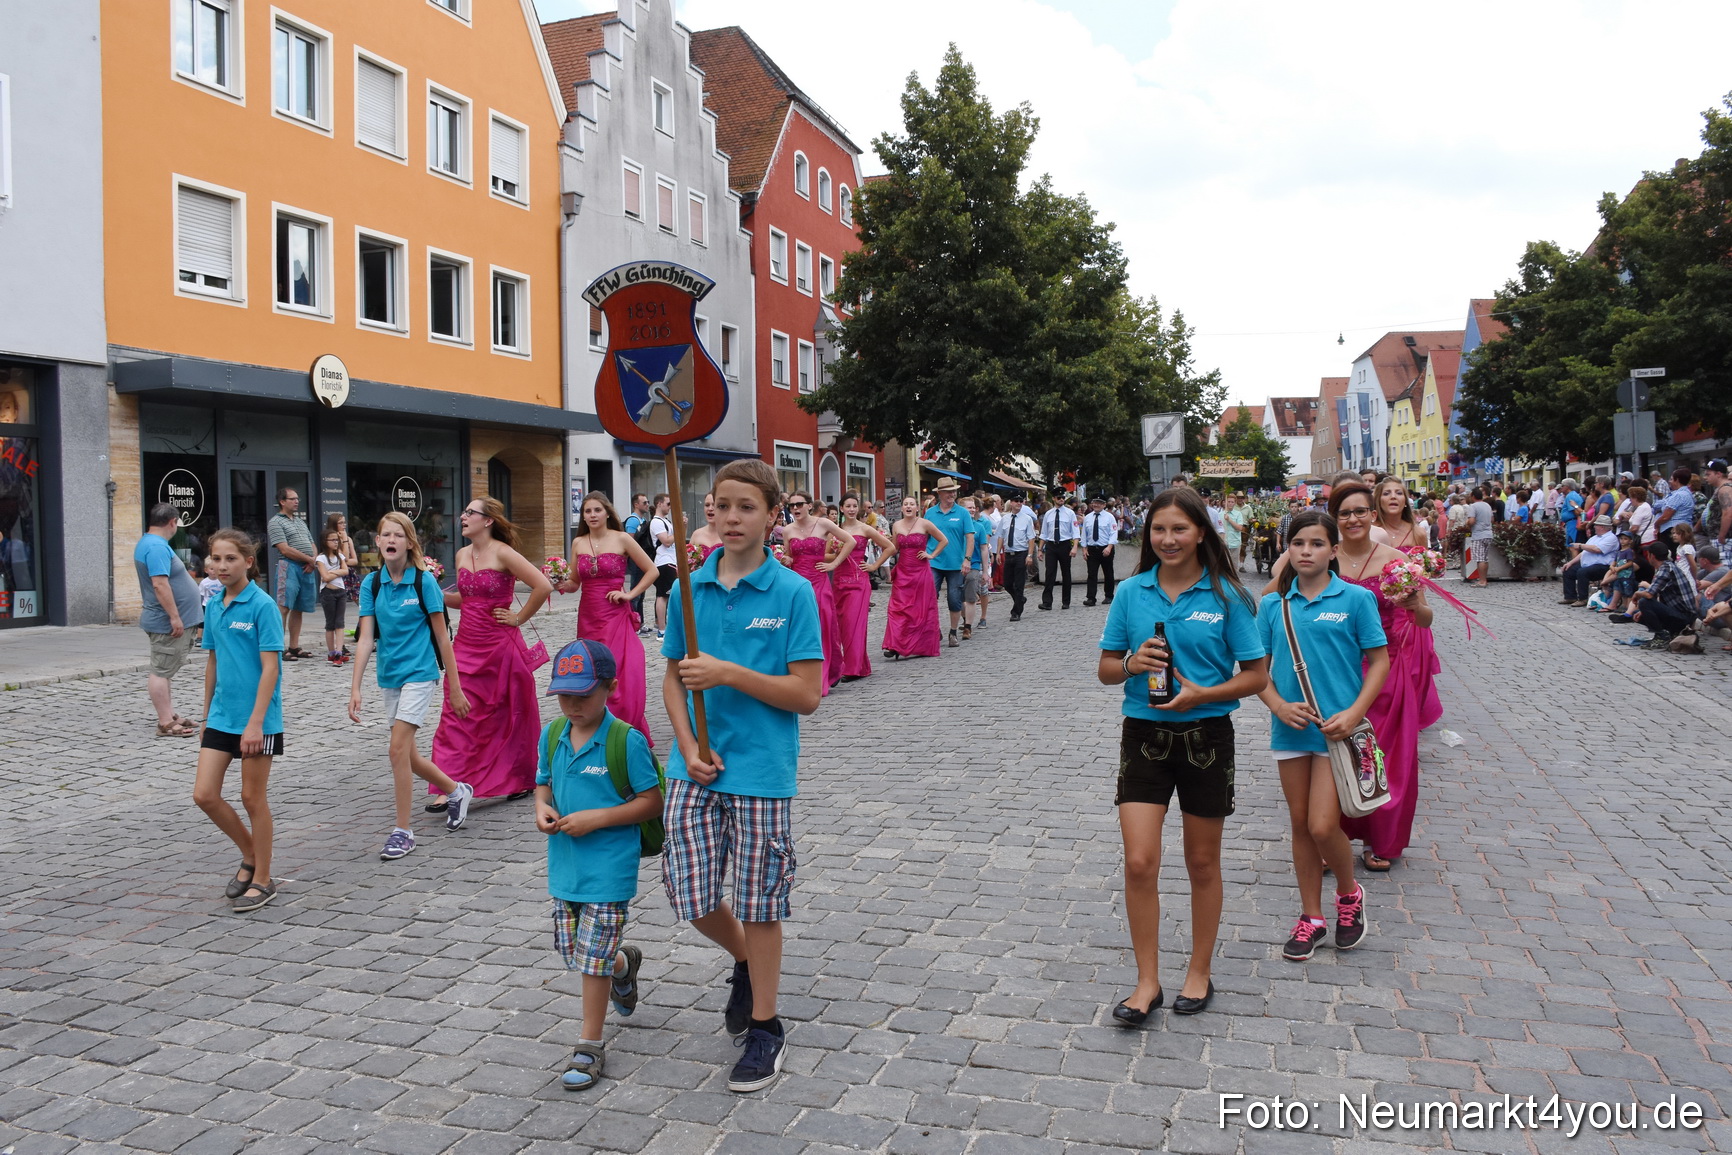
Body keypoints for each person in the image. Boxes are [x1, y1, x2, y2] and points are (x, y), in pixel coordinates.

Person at [659, 459, 823, 1094]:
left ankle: (765, 1027)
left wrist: (728, 673)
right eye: (722, 505)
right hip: (693, 766)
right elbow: (673, 675)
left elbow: (805, 694)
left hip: (760, 770)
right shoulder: (686, 589)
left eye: (746, 507)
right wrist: (686, 740)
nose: (731, 517)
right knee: (689, 892)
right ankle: (746, 962)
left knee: (760, 900)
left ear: (772, 516)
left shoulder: (792, 593)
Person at [1096, 488, 1269, 1024]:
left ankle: (1199, 970)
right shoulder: (1131, 592)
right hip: (1144, 736)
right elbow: (1105, 668)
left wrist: (1202, 694)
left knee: (1201, 862)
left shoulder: (1227, 596)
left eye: (1179, 530)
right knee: (1141, 861)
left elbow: (1256, 676)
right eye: (1158, 530)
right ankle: (1146, 981)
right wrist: (1130, 664)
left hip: (1206, 739)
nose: (1168, 540)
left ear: (1201, 533)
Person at [1256, 511, 1388, 961]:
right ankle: (1310, 916)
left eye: (1316, 544)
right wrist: (1277, 704)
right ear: (1286, 549)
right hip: (1291, 729)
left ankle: (1349, 895)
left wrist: (1354, 713)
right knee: (1298, 825)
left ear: (1334, 550)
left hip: (1339, 732)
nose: (1306, 552)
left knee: (1321, 824)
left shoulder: (1354, 599)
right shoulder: (1274, 605)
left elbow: (1380, 662)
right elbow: (1256, 671)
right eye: (1298, 543)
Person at [535, 638, 662, 1093]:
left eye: (582, 695)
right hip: (565, 868)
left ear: (609, 687)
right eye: (564, 695)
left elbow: (652, 801)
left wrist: (600, 818)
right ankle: (623, 967)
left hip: (609, 870)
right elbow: (543, 784)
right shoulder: (552, 735)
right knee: (575, 952)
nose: (571, 705)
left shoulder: (626, 741)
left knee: (591, 960)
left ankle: (589, 1044)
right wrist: (542, 809)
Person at [1291, 481, 1438, 872]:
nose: (1353, 519)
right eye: (1344, 513)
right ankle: (1330, 839)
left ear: (1372, 515)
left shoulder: (1395, 559)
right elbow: (1279, 590)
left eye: (1360, 511)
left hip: (1384, 670)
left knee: (1383, 759)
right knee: (1334, 755)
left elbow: (1425, 618)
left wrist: (1412, 604)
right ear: (1334, 519)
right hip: (1334, 669)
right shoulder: (1323, 556)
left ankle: (1380, 839)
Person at [348, 512, 477, 860]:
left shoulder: (424, 583)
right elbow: (365, 639)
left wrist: (455, 686)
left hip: (420, 674)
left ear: (409, 543)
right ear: (377, 542)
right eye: (385, 535)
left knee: (395, 750)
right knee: (409, 755)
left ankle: (403, 831)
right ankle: (456, 790)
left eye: (398, 535)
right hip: (389, 676)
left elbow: (442, 637)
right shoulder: (371, 585)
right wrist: (355, 686)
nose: (391, 540)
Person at [426, 495, 553, 811]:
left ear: (488, 520)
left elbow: (543, 586)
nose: (463, 517)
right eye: (464, 512)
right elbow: (465, 600)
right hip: (466, 645)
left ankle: (517, 777)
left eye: (470, 512)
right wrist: (432, 592)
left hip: (500, 646)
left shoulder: (504, 553)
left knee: (504, 713)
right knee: (454, 714)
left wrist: (518, 618)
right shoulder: (460, 554)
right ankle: (447, 786)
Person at [193, 528, 285, 913]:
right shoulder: (214, 605)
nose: (222, 565)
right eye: (216, 558)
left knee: (252, 798)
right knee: (205, 794)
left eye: (230, 558)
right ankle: (250, 853)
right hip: (222, 715)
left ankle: (263, 878)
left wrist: (255, 723)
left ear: (248, 562)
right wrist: (204, 715)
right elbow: (213, 660)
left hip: (258, 720)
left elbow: (271, 669)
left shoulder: (261, 605)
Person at [558, 494, 659, 744]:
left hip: (615, 615)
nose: (592, 515)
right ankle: (595, 725)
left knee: (619, 670)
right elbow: (574, 583)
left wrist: (629, 595)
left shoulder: (623, 538)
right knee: (591, 670)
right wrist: (558, 582)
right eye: (587, 511)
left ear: (607, 513)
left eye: (597, 510)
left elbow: (652, 571)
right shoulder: (579, 542)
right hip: (588, 616)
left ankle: (621, 726)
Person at [134, 502, 205, 737]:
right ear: (173, 522)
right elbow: (159, 584)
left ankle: (169, 713)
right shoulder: (155, 547)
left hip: (167, 619)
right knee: (161, 671)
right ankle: (165, 722)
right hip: (166, 622)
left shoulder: (151, 543)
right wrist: (175, 617)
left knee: (165, 669)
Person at [781, 491, 855, 692]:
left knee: (823, 625)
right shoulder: (787, 530)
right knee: (801, 628)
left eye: (799, 504)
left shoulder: (823, 524)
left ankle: (826, 672)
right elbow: (789, 557)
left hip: (820, 582)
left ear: (809, 505)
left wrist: (835, 564)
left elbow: (851, 541)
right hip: (798, 584)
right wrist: (786, 560)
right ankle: (804, 673)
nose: (795, 508)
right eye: (791, 506)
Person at [877, 495, 947, 659]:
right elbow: (894, 548)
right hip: (903, 571)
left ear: (917, 508)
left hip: (920, 572)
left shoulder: (925, 524)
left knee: (919, 609)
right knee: (898, 609)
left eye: (911, 504)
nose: (908, 506)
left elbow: (943, 540)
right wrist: (882, 543)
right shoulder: (897, 525)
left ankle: (920, 643)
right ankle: (895, 645)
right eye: (905, 504)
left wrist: (931, 555)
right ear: (902, 508)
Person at [835, 493, 893, 682]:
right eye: (847, 506)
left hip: (858, 582)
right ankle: (858, 665)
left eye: (854, 506)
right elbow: (825, 554)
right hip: (838, 581)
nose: (851, 509)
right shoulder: (835, 530)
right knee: (842, 626)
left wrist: (875, 566)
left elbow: (890, 547)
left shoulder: (865, 529)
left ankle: (852, 669)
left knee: (854, 624)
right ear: (841, 508)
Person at [267, 488, 319, 661]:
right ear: (282, 501)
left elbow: (311, 543)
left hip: (306, 568)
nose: (297, 501)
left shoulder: (300, 521)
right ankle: (278, 647)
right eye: (292, 499)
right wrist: (310, 560)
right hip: (288, 567)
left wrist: (313, 560)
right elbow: (284, 549)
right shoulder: (275, 522)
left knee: (299, 608)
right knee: (283, 607)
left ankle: (294, 646)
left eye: (298, 498)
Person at [923, 478, 976, 648]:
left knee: (954, 599)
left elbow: (970, 537)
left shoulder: (962, 513)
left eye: (954, 491)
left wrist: (967, 559)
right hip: (934, 563)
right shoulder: (930, 513)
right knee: (930, 597)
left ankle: (953, 632)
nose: (952, 494)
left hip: (955, 564)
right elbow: (924, 537)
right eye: (948, 491)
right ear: (939, 493)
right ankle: (934, 628)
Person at [1628, 536, 1698, 649]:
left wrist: (1637, 594)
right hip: (1679, 612)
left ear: (1652, 556)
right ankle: (1670, 633)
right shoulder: (1667, 566)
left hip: (1684, 617)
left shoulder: (1666, 568)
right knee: (1640, 613)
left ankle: (1661, 636)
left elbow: (1649, 594)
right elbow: (1658, 595)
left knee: (1644, 602)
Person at [996, 493, 1037, 621]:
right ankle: (1020, 600)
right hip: (1009, 553)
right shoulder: (1005, 518)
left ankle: (1016, 611)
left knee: (1019, 583)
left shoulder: (1026, 518)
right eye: (1016, 501)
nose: (1019, 503)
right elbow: (1001, 536)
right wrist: (998, 552)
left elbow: (1031, 538)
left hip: (1021, 553)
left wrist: (1029, 555)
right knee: (1007, 583)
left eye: (1021, 501)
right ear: (1011, 502)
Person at [1561, 515, 1618, 606]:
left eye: (1596, 525)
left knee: (1582, 572)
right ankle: (1570, 596)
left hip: (1603, 566)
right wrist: (1570, 562)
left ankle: (1583, 598)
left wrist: (1580, 545)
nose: (1594, 527)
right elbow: (1583, 552)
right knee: (1569, 570)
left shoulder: (1611, 538)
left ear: (1602, 527)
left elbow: (1597, 549)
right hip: (1588, 564)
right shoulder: (1594, 538)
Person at [315, 528, 350, 666]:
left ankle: (339, 652)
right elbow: (325, 576)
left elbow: (346, 571)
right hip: (328, 593)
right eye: (333, 540)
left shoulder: (340, 557)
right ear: (325, 541)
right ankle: (331, 653)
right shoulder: (321, 558)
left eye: (337, 540)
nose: (336, 543)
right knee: (330, 623)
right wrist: (337, 572)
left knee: (340, 623)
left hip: (340, 592)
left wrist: (333, 573)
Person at [1038, 492, 1079, 611]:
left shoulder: (1070, 513)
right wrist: (1040, 549)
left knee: (1066, 573)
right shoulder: (1048, 514)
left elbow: (1075, 531)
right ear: (1054, 498)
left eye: (1063, 498)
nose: (1061, 500)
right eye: (1059, 497)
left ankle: (1066, 601)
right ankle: (1047, 602)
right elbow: (1044, 533)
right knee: (1049, 573)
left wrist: (1075, 546)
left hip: (1064, 544)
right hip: (1051, 545)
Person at [1082, 494, 1119, 607]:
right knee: (1091, 574)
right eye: (1095, 502)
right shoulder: (1088, 517)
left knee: (1108, 573)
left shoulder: (1109, 517)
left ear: (1104, 505)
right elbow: (1084, 534)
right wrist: (1084, 549)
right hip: (1092, 549)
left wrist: (1109, 547)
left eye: (1099, 503)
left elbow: (1113, 533)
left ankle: (1109, 596)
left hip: (1105, 548)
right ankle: (1091, 598)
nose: (1096, 504)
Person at [649, 494, 676, 642]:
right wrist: (679, 529)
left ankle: (666, 627)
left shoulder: (666, 521)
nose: (670, 506)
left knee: (670, 595)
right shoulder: (657, 522)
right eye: (668, 503)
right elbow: (666, 541)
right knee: (663, 595)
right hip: (664, 562)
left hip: (671, 561)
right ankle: (661, 629)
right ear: (659, 504)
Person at [1371, 479, 1426, 553]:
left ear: (1406, 501)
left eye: (1399, 493)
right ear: (1378, 501)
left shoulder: (1418, 533)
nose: (1393, 497)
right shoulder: (1369, 532)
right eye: (1386, 493)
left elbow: (1426, 562)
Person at [623, 493, 651, 630]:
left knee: (641, 593)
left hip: (642, 560)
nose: (647, 505)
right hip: (636, 561)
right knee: (635, 593)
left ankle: (640, 622)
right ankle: (633, 623)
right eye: (644, 502)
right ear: (636, 504)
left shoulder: (642, 520)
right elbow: (630, 541)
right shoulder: (633, 521)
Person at [1464, 488, 1494, 586]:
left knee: (1480, 559)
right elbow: (1492, 519)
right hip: (1488, 533)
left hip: (1478, 535)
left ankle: (1482, 581)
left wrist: (1467, 523)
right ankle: (1484, 579)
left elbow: (1472, 521)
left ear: (1473, 496)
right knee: (1485, 559)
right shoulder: (1487, 505)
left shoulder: (1473, 506)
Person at [689, 492, 723, 564]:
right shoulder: (696, 534)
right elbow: (688, 563)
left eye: (714, 505)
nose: (710, 508)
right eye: (707, 505)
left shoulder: (729, 533)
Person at [1224, 494, 1249, 566]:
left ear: (1235, 503)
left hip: (1235, 543)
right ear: (1225, 502)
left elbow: (1239, 528)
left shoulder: (1238, 514)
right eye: (1229, 501)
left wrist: (1229, 520)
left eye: (1232, 502)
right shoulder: (1220, 514)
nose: (1230, 503)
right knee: (1225, 566)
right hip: (1224, 544)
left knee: (1234, 566)